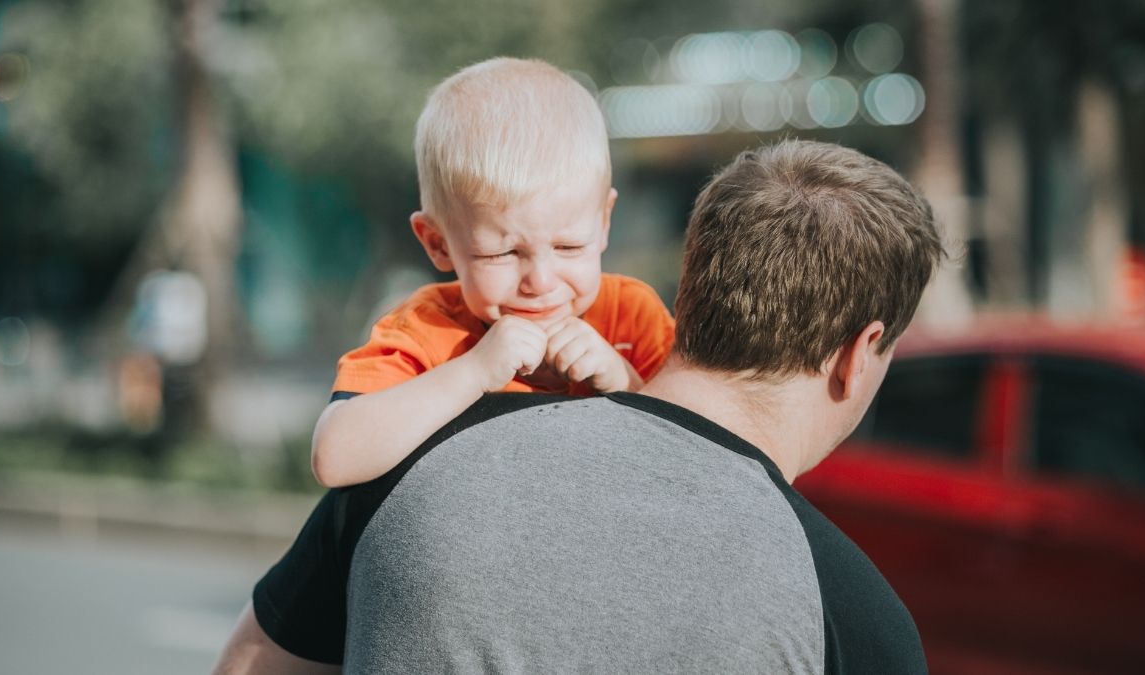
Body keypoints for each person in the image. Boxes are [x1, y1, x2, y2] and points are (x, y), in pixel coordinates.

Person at [214, 138, 944, 674]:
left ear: (692, 286)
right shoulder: (855, 617)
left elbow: (247, 664)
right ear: (859, 351)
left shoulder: (411, 467)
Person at [310, 57, 676, 488]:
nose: (540, 282)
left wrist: (624, 381)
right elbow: (335, 459)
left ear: (604, 222)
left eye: (568, 246)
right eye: (501, 253)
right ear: (437, 243)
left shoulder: (632, 316)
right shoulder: (426, 330)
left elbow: (700, 458)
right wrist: (472, 371)